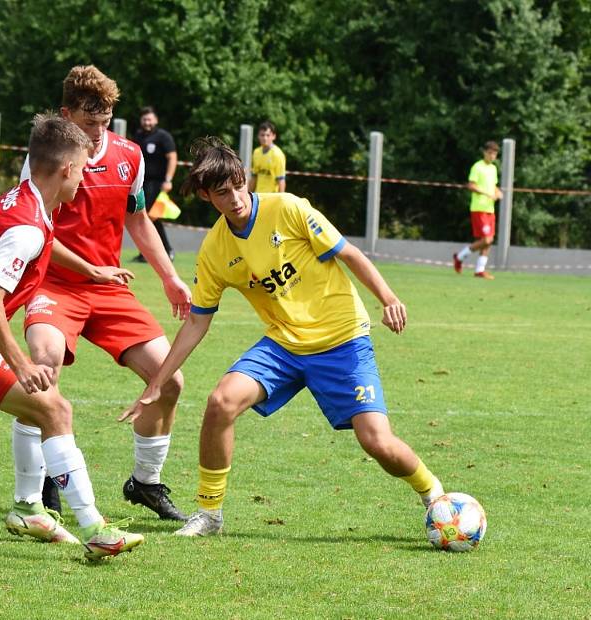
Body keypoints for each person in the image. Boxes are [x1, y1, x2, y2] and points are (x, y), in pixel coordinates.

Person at [122, 137, 445, 537]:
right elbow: (196, 322)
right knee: (221, 402)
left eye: (240, 185)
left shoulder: (288, 208)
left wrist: (388, 298)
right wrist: (156, 382)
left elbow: (349, 253)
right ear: (207, 196)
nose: (237, 198)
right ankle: (209, 514)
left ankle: (434, 493)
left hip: (343, 340)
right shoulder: (214, 251)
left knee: (377, 441)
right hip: (284, 346)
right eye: (223, 193)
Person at [0, 113, 144, 560]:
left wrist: (91, 269)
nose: (84, 177)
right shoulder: (24, 227)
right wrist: (21, 363)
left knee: (45, 403)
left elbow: (46, 239)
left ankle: (27, 507)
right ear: (65, 170)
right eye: (81, 168)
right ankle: (95, 527)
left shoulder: (26, 201)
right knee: (56, 407)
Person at [15, 66, 192, 526]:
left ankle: (146, 483)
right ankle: (41, 488)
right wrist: (87, 268)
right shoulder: (47, 158)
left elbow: (137, 221)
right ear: (65, 114)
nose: (97, 133)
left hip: (109, 288)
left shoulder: (130, 156)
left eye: (106, 122)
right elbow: (32, 227)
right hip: (54, 284)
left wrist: (170, 277)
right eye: (88, 124)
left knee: (169, 381)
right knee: (43, 367)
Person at [132, 106, 178, 262]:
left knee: (149, 217)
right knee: (146, 217)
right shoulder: (138, 136)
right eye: (144, 119)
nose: (147, 122)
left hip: (157, 183)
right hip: (141, 183)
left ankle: (166, 250)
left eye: (150, 119)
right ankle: (148, 253)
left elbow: (172, 158)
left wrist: (168, 180)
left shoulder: (163, 137)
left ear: (156, 120)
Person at [453, 141, 503, 280]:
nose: (492, 156)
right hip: (479, 208)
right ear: (485, 152)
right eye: (490, 153)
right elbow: (471, 185)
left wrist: (498, 193)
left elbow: (493, 186)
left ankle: (480, 270)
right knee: (486, 239)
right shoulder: (477, 167)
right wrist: (487, 194)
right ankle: (460, 256)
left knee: (488, 240)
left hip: (490, 209)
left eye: (495, 154)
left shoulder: (493, 169)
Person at [248, 120, 286, 193]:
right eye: (262, 135)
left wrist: (280, 200)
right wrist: (248, 195)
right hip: (258, 196)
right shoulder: (256, 152)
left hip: (271, 197)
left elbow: (281, 180)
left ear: (273, 136)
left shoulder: (278, 154)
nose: (265, 138)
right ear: (258, 136)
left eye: (268, 135)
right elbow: (254, 177)